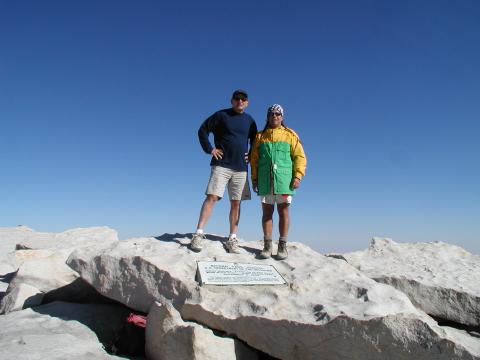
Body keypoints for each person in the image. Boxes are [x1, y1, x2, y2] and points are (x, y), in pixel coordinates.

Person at [189, 89, 258, 253]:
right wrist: (210, 149)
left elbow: (256, 141)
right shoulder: (221, 115)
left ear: (247, 103)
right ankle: (198, 234)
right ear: (232, 100)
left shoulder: (250, 121)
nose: (240, 101)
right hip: (221, 164)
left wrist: (252, 155)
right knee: (212, 196)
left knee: (236, 202)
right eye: (237, 98)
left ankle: (232, 238)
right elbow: (203, 130)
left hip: (241, 168)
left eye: (243, 99)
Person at [249, 104, 306, 260]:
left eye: (278, 114)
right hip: (265, 179)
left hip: (284, 180)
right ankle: (267, 246)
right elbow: (254, 160)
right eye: (272, 114)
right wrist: (254, 179)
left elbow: (299, 157)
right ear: (267, 117)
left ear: (282, 117)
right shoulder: (260, 136)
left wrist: (298, 176)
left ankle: (282, 246)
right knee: (267, 213)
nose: (275, 116)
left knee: (283, 211)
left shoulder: (290, 135)